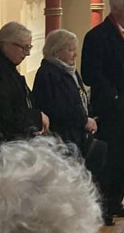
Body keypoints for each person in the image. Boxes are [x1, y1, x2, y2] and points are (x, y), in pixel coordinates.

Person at [81, 0, 124, 226]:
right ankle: (103, 205)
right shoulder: (98, 36)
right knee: (109, 157)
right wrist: (115, 96)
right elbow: (91, 74)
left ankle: (116, 201)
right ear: (115, 8)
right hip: (111, 109)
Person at [0, 22, 47, 161]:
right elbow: (3, 116)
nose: (27, 53)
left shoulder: (7, 69)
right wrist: (36, 117)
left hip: (9, 146)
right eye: (24, 48)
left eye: (29, 47)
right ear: (6, 43)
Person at [32, 29, 97, 159]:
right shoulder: (49, 74)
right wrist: (84, 120)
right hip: (62, 138)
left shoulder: (69, 70)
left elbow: (79, 96)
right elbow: (59, 107)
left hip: (77, 135)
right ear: (57, 52)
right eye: (71, 50)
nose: (75, 54)